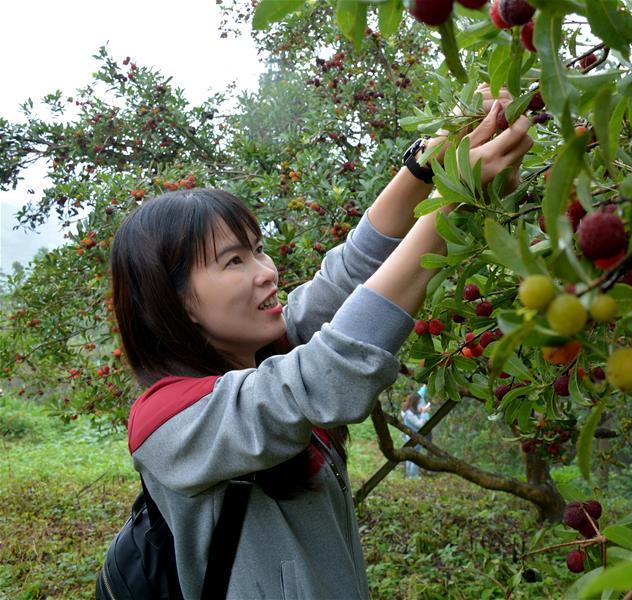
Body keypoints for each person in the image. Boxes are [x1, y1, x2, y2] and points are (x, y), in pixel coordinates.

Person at [108, 85, 532, 599]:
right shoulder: (169, 423)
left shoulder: (271, 351)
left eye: (260, 250)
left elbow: (352, 270)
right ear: (173, 302)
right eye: (234, 261)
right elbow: (329, 373)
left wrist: (431, 162)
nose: (267, 272)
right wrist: (451, 209)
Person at [400, 393, 430, 478]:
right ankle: (413, 476)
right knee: (414, 456)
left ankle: (410, 475)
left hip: (410, 436)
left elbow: (415, 414)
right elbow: (419, 424)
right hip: (413, 438)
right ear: (414, 403)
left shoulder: (407, 411)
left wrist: (421, 410)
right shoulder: (409, 413)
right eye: (418, 402)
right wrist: (424, 413)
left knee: (410, 456)